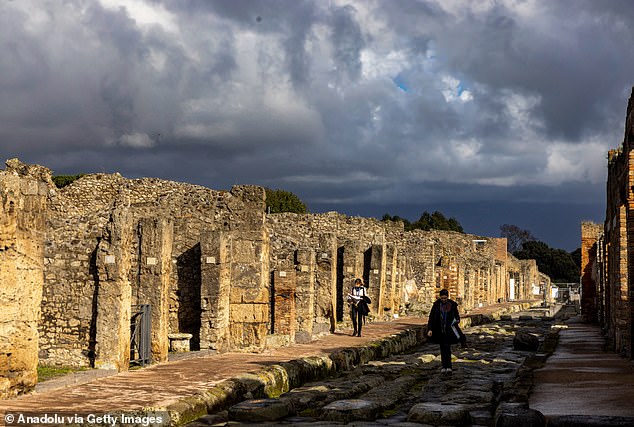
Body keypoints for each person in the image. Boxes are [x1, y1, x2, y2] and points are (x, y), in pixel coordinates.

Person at [426, 289, 461, 374]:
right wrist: (430, 329)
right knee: (442, 349)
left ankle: (448, 366)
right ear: (440, 297)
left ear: (447, 297)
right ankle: (443, 366)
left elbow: (457, 317)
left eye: (445, 298)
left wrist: (455, 321)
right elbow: (431, 317)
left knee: (447, 348)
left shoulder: (452, 305)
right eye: (442, 298)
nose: (444, 300)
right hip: (439, 330)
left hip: (449, 330)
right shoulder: (436, 305)